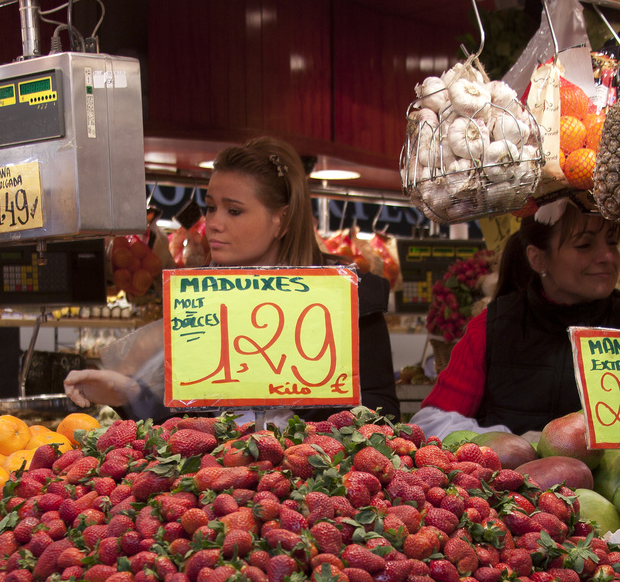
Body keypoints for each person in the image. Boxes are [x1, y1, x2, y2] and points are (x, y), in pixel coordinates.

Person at [65, 136, 400, 424]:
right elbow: (184, 429)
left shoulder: (350, 301)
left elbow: (381, 415)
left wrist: (297, 439)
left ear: (280, 220)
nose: (213, 223)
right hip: (220, 494)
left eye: (234, 210)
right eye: (211, 207)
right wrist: (125, 392)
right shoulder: (199, 303)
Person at [413, 196, 620, 439]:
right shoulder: (492, 327)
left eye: (612, 242)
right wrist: (508, 441)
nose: (607, 256)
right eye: (584, 245)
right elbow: (429, 424)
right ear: (538, 258)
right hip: (511, 476)